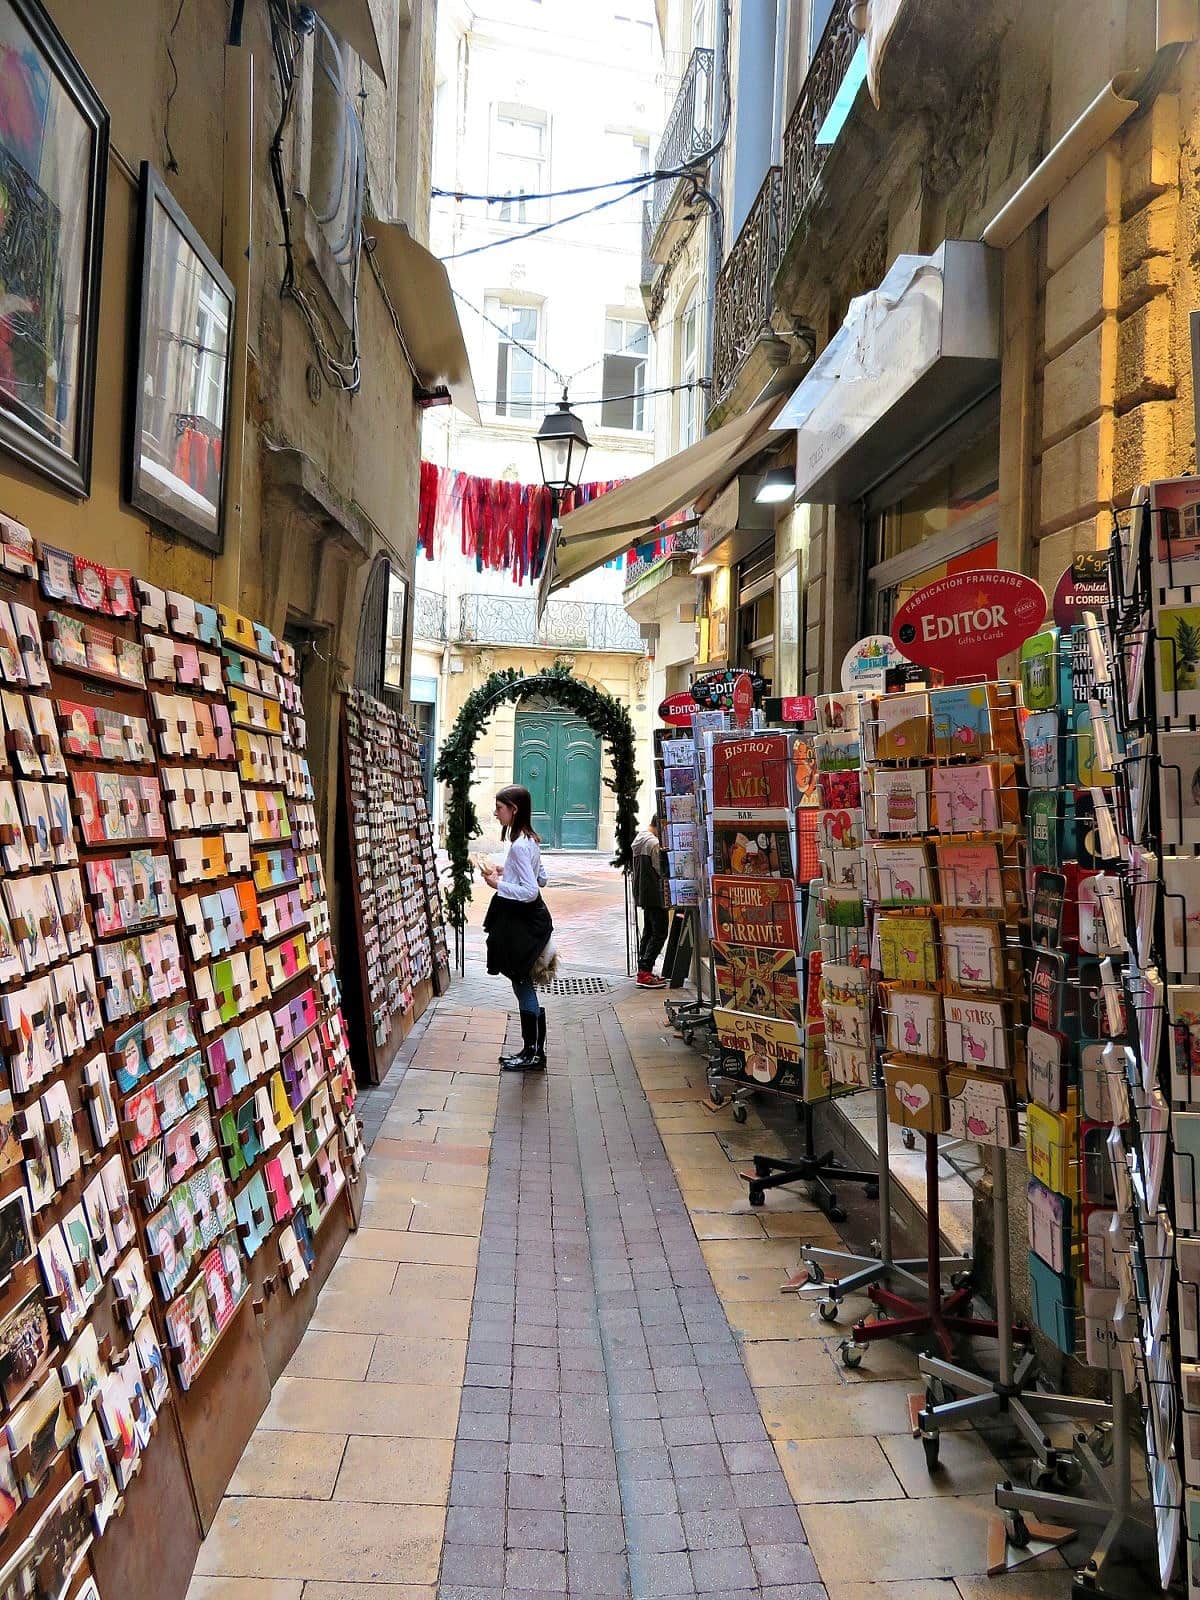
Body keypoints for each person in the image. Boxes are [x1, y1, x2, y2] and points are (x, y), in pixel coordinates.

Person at [480, 785, 553, 1071]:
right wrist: (505, 871)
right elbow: (541, 877)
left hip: (522, 921)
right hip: (528, 919)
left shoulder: (522, 845)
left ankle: (533, 1053)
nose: (496, 813)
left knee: (522, 981)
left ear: (514, 809)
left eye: (500, 808)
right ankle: (531, 1050)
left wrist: (498, 884)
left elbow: (531, 891)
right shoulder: (529, 840)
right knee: (522, 981)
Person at [632, 813, 668, 988]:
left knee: (649, 931)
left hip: (644, 892)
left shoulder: (641, 838)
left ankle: (643, 969)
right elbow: (660, 869)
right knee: (660, 932)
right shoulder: (653, 843)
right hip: (655, 893)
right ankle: (645, 972)